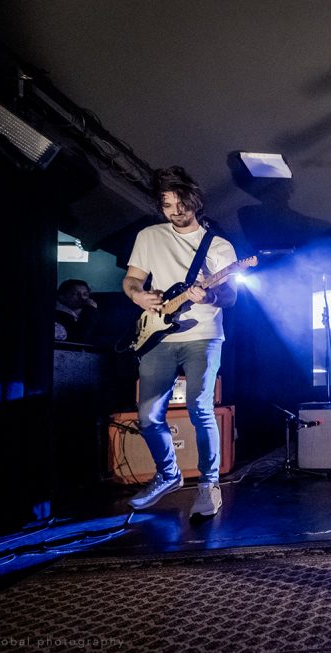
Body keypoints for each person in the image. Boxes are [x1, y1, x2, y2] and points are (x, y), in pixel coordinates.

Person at [122, 166, 238, 518]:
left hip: (203, 335)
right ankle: (168, 474)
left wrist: (209, 297)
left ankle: (208, 485)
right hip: (157, 334)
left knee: (200, 409)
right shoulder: (149, 237)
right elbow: (132, 280)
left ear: (195, 201)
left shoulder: (218, 246)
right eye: (168, 205)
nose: (175, 211)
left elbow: (230, 296)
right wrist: (139, 296)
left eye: (181, 204)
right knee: (147, 415)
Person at [54, 278, 99, 344]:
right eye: (76, 294)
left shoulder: (82, 313)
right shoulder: (58, 316)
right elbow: (80, 338)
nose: (82, 298)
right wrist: (90, 309)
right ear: (61, 297)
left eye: (85, 294)